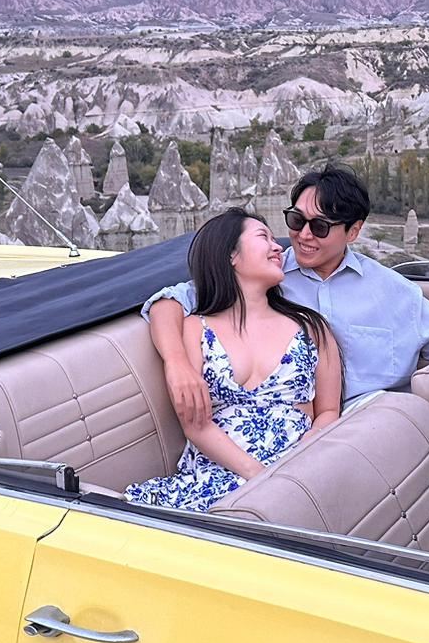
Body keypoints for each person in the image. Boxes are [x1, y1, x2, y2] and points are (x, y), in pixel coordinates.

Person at [144, 162, 429, 429]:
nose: (301, 235)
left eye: (320, 227)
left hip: (377, 429)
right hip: (299, 435)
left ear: (353, 232)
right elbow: (167, 302)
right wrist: (177, 364)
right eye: (295, 221)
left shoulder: (391, 289)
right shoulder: (265, 276)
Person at [125, 208, 342, 512]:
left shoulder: (312, 328)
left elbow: (329, 410)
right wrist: (258, 476)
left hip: (297, 468)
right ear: (231, 255)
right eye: (263, 237)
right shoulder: (194, 328)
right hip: (218, 471)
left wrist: (299, 465)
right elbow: (195, 425)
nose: (278, 246)